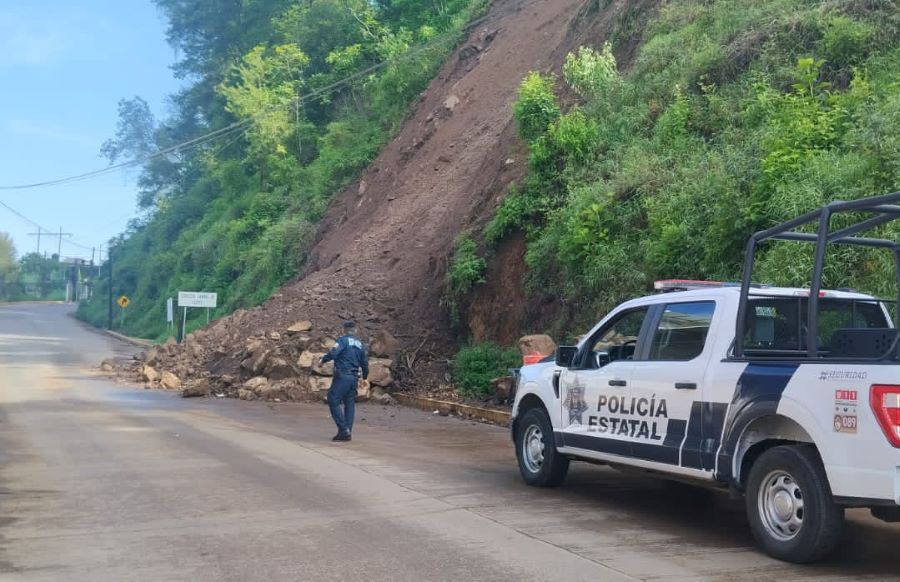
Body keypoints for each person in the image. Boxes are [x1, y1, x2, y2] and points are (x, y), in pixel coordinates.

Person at [321, 321, 369, 442]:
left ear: (344, 329)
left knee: (333, 399)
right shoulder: (360, 345)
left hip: (342, 376)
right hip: (354, 378)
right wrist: (365, 377)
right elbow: (365, 363)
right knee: (350, 403)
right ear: (355, 330)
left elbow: (334, 353)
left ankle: (343, 430)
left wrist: (323, 360)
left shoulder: (342, 341)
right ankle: (347, 432)